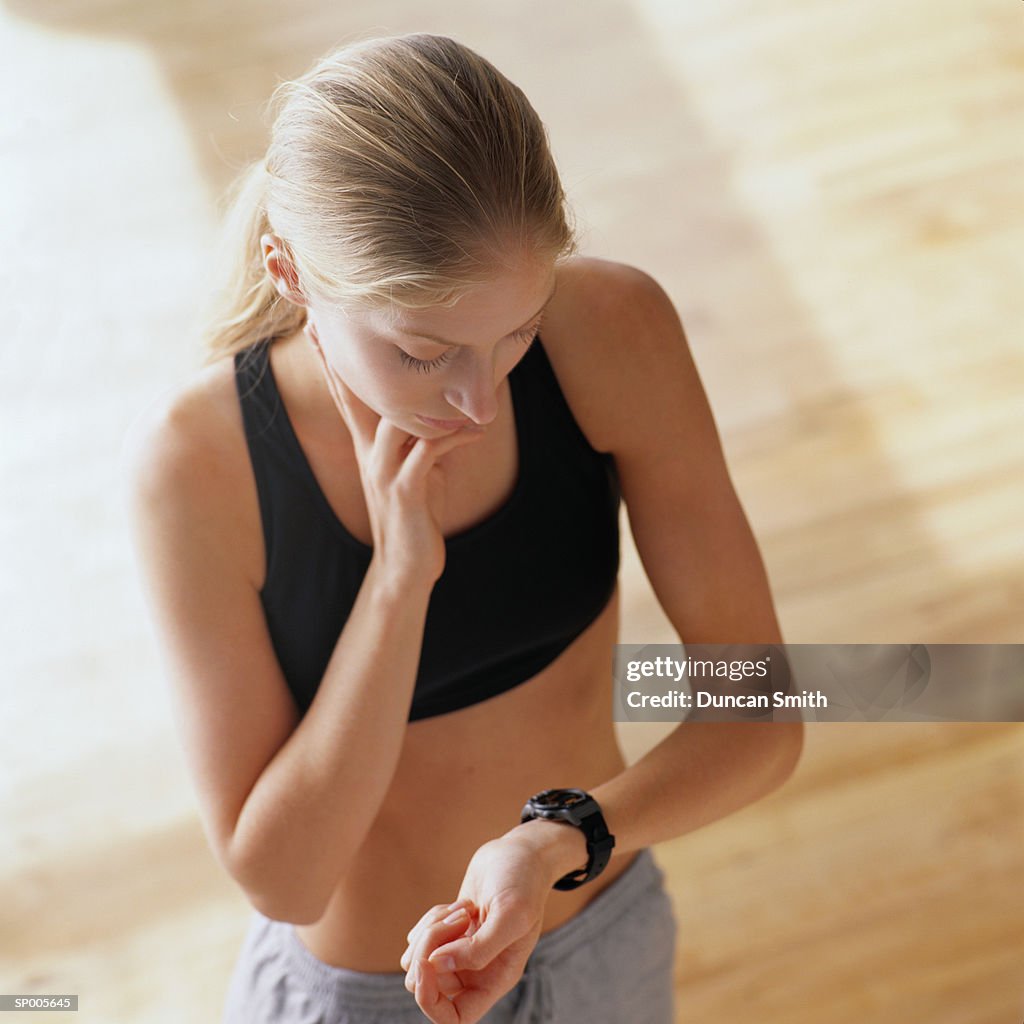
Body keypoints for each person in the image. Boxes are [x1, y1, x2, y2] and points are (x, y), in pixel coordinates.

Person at [127, 32, 803, 1024]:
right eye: (424, 351)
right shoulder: (198, 465)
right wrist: (400, 577)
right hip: (357, 1001)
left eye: (516, 332)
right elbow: (283, 879)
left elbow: (759, 717)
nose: (479, 400)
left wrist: (553, 838)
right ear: (291, 272)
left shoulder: (612, 331)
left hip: (598, 949)